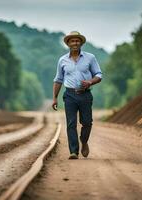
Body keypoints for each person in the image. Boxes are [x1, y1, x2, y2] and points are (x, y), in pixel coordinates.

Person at [52, 31, 102, 159]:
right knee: (71, 123)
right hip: (69, 95)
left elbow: (99, 75)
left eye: (77, 41)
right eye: (72, 41)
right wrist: (54, 98)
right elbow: (58, 80)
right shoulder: (62, 60)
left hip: (85, 95)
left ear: (81, 43)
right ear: (68, 43)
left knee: (87, 123)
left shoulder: (90, 58)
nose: (75, 43)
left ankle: (84, 141)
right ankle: (73, 151)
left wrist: (90, 81)